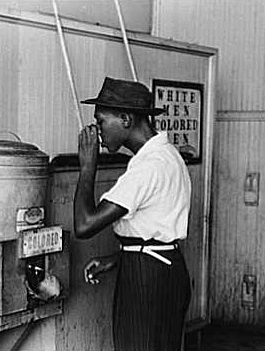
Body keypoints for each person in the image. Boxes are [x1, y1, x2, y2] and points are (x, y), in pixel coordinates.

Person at [73, 77, 192, 351]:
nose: (98, 131)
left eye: (101, 121)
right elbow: (155, 231)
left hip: (147, 280)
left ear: (125, 119)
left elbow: (84, 224)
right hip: (165, 267)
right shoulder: (168, 156)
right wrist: (117, 259)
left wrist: (88, 166)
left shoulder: (148, 167)